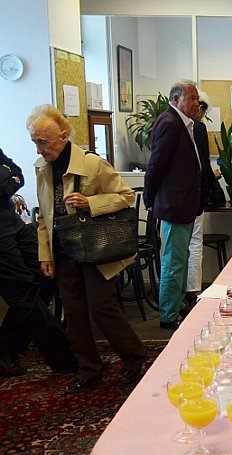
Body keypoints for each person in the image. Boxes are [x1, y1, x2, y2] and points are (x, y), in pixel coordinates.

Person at [28, 105, 147, 393]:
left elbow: (125, 196)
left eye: (43, 141)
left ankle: (134, 358)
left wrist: (91, 203)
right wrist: (45, 255)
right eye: (35, 141)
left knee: (101, 307)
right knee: (74, 311)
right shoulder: (42, 167)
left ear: (63, 136)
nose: (39, 149)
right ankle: (89, 369)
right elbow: (44, 217)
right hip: (63, 250)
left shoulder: (92, 164)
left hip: (96, 248)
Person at [0, 147, 77, 377]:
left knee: (47, 273)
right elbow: (9, 175)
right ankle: (67, 359)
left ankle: (6, 346)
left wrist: (5, 182)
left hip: (15, 223)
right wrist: (6, 178)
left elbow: (17, 174)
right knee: (24, 292)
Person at [144, 80, 204, 330]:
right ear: (176, 99)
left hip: (185, 204)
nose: (196, 103)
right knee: (173, 261)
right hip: (174, 205)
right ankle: (168, 315)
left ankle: (177, 304)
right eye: (191, 98)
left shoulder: (184, 123)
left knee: (182, 257)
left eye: (196, 98)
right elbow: (156, 165)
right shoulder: (169, 123)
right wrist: (149, 199)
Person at [186, 91, 218, 305]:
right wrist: (211, 180)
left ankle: (181, 294)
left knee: (179, 248)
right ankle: (193, 289)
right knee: (195, 242)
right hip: (194, 196)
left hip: (176, 198)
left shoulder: (173, 124)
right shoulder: (197, 127)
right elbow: (203, 162)